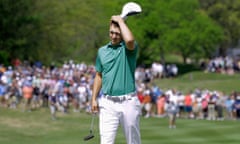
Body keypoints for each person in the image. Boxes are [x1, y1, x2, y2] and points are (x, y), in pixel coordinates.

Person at [91, 15, 141, 144]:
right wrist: (93, 99)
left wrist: (120, 21)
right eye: (111, 32)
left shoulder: (128, 49)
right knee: (106, 141)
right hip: (107, 103)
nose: (113, 36)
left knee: (133, 141)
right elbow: (99, 75)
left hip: (128, 101)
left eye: (117, 34)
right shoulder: (102, 51)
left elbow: (129, 40)